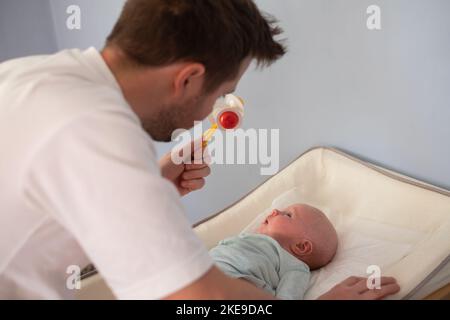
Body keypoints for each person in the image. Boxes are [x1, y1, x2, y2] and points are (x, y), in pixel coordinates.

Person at [0, 0, 399, 299]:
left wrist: (148, 184)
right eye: (222, 95)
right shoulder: (101, 132)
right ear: (189, 78)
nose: (211, 112)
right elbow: (201, 301)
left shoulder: (34, 76)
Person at [210, 204, 338, 299]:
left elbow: (288, 297)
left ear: (301, 246)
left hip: (234, 286)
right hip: (203, 274)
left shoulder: (296, 268)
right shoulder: (250, 237)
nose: (275, 210)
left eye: (288, 215)